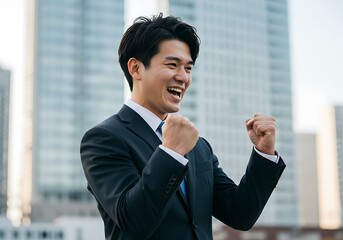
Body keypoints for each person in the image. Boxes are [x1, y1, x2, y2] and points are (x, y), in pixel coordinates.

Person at [80, 14, 285, 240]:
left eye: (188, 68)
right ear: (136, 68)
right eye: (172, 65)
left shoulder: (198, 146)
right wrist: (170, 153)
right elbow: (133, 221)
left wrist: (264, 154)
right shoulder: (104, 139)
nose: (183, 77)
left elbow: (239, 214)